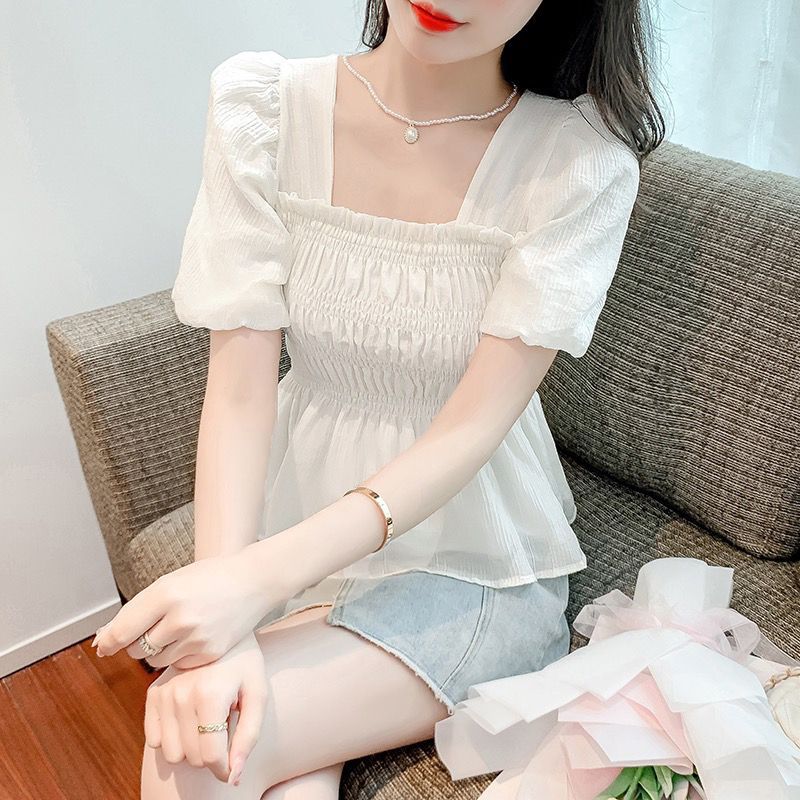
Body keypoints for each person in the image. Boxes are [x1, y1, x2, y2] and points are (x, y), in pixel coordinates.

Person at [94, 1, 665, 796]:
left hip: (471, 564)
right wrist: (226, 597)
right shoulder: (262, 110)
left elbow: (469, 433)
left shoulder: (577, 164)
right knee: (215, 744)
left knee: (196, 749)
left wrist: (250, 587)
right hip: (291, 528)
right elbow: (240, 388)